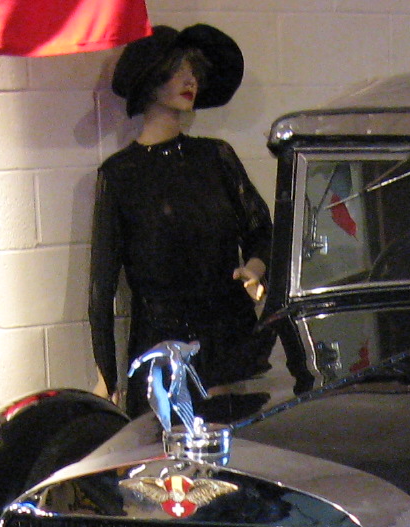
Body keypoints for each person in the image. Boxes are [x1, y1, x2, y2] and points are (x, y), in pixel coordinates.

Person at [88, 24, 272, 413]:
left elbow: (262, 230)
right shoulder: (121, 175)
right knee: (167, 462)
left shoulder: (215, 157)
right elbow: (101, 288)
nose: (190, 80)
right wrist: (107, 374)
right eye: (177, 70)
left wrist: (254, 268)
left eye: (194, 72)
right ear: (150, 82)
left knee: (230, 455)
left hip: (225, 343)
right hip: (160, 348)